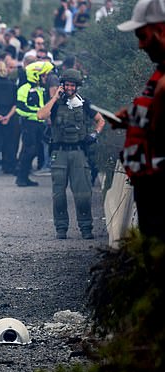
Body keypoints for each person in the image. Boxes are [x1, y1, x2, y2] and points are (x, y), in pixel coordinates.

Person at [113, 0, 165, 241]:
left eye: (143, 36)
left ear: (161, 30)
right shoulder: (159, 73)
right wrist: (132, 116)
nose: (141, 45)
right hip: (148, 188)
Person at [37, 69, 105, 239]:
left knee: (83, 193)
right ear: (62, 85)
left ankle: (86, 228)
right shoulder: (55, 104)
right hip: (59, 153)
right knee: (58, 194)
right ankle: (61, 228)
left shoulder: (84, 104)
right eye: (66, 84)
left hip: (78, 152)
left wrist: (95, 134)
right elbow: (40, 115)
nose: (69, 88)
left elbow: (101, 120)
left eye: (72, 85)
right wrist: (54, 98)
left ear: (77, 87)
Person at [15, 60, 54, 187]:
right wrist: (38, 111)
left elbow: (42, 105)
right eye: (43, 75)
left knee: (36, 150)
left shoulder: (40, 90)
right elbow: (20, 108)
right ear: (35, 75)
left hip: (39, 124)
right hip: (29, 124)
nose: (46, 77)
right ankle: (21, 177)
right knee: (29, 150)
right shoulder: (24, 89)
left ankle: (25, 176)